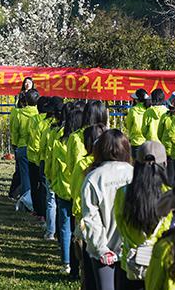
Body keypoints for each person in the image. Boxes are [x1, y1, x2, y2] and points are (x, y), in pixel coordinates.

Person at [114, 141, 172, 290]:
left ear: (136, 164)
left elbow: (120, 225)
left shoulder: (123, 192)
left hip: (130, 264)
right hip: (160, 264)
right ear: (165, 164)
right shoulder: (170, 195)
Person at [81, 129, 133, 290]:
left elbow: (91, 218)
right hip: (131, 249)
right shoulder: (134, 174)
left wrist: (101, 248)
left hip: (103, 252)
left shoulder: (94, 177)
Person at [71, 124, 107, 290]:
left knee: (86, 261)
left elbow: (75, 190)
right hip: (108, 222)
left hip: (85, 219)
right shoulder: (114, 167)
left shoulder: (82, 165)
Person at [49, 107, 82, 275]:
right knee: (80, 227)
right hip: (79, 190)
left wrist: (52, 180)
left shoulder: (59, 140)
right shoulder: (83, 140)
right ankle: (80, 263)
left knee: (65, 227)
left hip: (63, 188)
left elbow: (53, 165)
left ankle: (67, 262)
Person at [10, 88, 40, 212]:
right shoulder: (38, 114)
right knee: (35, 177)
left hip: (22, 147)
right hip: (36, 148)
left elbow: (15, 132)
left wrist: (15, 144)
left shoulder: (19, 113)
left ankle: (26, 202)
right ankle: (35, 202)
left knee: (25, 177)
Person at [40, 96, 64, 241]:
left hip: (50, 168)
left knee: (51, 200)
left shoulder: (50, 129)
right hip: (65, 173)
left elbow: (43, 147)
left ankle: (51, 231)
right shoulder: (71, 132)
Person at [125, 89, 150, 157]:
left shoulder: (133, 110)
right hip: (148, 142)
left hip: (135, 141)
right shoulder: (149, 109)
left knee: (135, 162)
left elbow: (128, 125)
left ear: (136, 100)